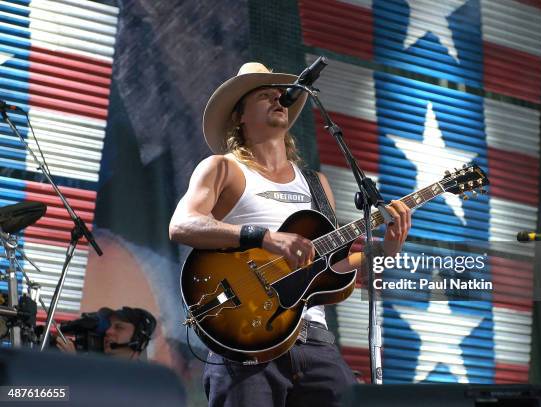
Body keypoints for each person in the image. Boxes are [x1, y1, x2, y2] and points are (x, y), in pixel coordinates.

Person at [168, 62, 411, 406]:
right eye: (264, 96)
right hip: (247, 338)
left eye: (280, 95)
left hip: (315, 342)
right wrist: (264, 237)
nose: (278, 100)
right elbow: (182, 225)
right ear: (239, 116)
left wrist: (383, 251)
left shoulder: (315, 182)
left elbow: (334, 268)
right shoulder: (222, 167)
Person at [56, 306, 157, 360]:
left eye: (119, 327)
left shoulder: (140, 382)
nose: (108, 331)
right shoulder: (96, 363)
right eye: (109, 326)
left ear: (138, 340)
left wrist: (73, 365)